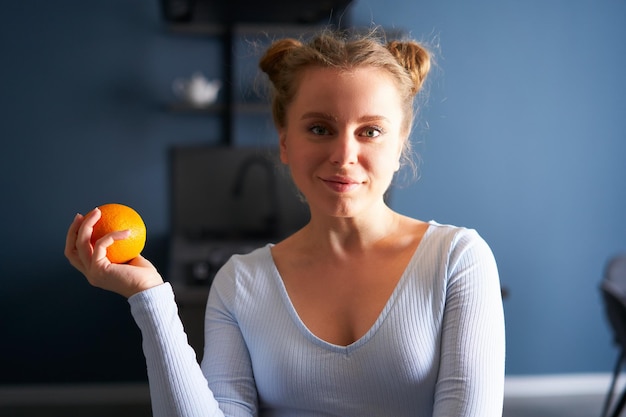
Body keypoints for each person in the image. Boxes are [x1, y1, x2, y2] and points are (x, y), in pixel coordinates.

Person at [65, 28, 505, 417]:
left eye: (370, 131)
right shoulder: (241, 282)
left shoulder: (457, 261)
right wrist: (151, 300)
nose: (343, 155)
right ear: (284, 142)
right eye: (319, 128)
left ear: (400, 143)